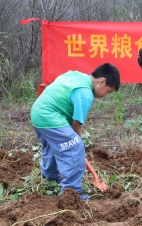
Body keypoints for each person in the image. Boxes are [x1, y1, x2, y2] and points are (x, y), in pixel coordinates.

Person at [30, 63, 120, 200]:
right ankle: (72, 193)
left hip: (38, 113)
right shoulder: (85, 94)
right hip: (50, 116)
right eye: (108, 91)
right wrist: (76, 145)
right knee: (74, 147)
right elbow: (76, 124)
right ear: (102, 81)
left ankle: (50, 178)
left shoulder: (76, 75)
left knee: (52, 146)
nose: (105, 96)